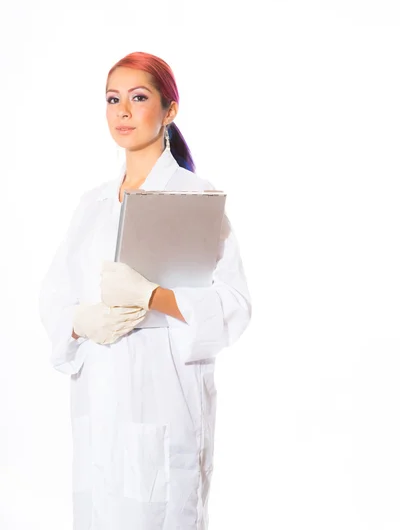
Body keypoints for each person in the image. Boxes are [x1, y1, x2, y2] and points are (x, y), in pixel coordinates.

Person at [38, 51, 252, 530]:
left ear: (170, 110)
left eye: (139, 97)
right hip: (99, 404)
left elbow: (234, 307)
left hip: (164, 404)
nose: (124, 111)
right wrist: (78, 321)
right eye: (114, 99)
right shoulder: (91, 204)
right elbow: (54, 296)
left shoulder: (194, 197)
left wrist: (151, 296)